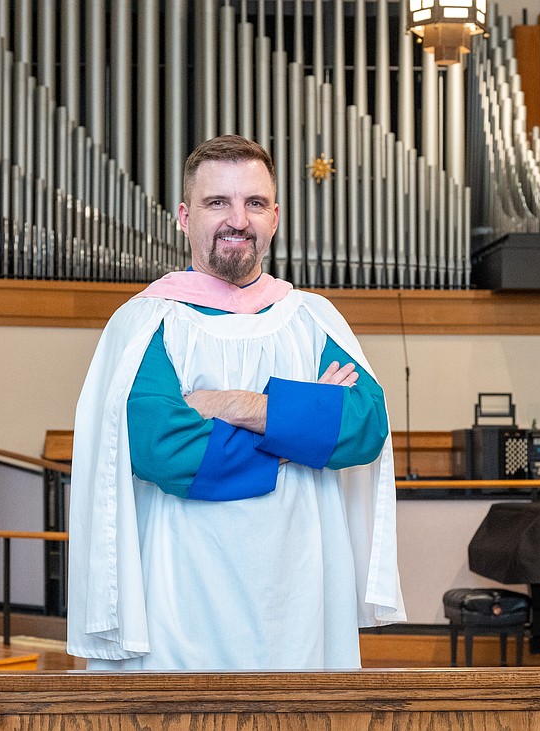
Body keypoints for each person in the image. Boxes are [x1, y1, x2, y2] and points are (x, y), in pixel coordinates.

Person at [67, 135, 404, 670]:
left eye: (254, 203)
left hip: (298, 597)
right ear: (184, 216)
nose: (237, 219)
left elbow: (365, 425)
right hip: (182, 597)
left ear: (275, 216)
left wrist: (231, 404)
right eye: (216, 202)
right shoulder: (149, 321)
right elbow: (162, 447)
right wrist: (305, 430)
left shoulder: (311, 320)